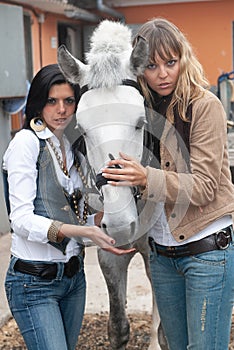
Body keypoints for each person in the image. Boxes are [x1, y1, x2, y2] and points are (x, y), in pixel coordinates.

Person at [102, 18, 234, 350]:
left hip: (207, 253)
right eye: (151, 65)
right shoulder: (139, 112)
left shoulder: (205, 107)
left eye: (170, 62)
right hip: (162, 257)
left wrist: (148, 178)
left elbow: (204, 186)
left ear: (183, 60)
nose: (162, 73)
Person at [3, 64, 134, 350]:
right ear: (38, 103)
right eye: (52, 101)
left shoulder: (73, 149)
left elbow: (75, 212)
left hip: (74, 281)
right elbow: (21, 220)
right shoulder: (26, 144)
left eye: (68, 101)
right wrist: (83, 231)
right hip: (34, 283)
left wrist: (101, 226)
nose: (61, 109)